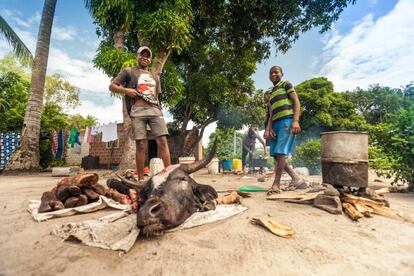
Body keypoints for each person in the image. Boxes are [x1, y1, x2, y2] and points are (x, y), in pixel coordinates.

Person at [109, 46, 171, 181]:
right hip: (137, 111)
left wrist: (159, 109)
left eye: (147, 56)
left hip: (155, 111)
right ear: (137, 56)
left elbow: (156, 95)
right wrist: (126, 91)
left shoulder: (155, 76)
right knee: (141, 144)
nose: (144, 57)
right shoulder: (129, 71)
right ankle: (141, 178)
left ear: (150, 60)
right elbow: (112, 86)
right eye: (142, 55)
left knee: (162, 141)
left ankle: (169, 175)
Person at [264, 65, 303, 194]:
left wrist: (296, 120)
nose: (273, 75)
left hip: (287, 121)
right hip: (275, 124)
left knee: (281, 153)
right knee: (276, 155)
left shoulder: (286, 84)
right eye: (271, 73)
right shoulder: (271, 93)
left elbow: (296, 101)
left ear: (282, 73)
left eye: (276, 72)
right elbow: (270, 113)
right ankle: (296, 178)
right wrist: (268, 129)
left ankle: (276, 185)